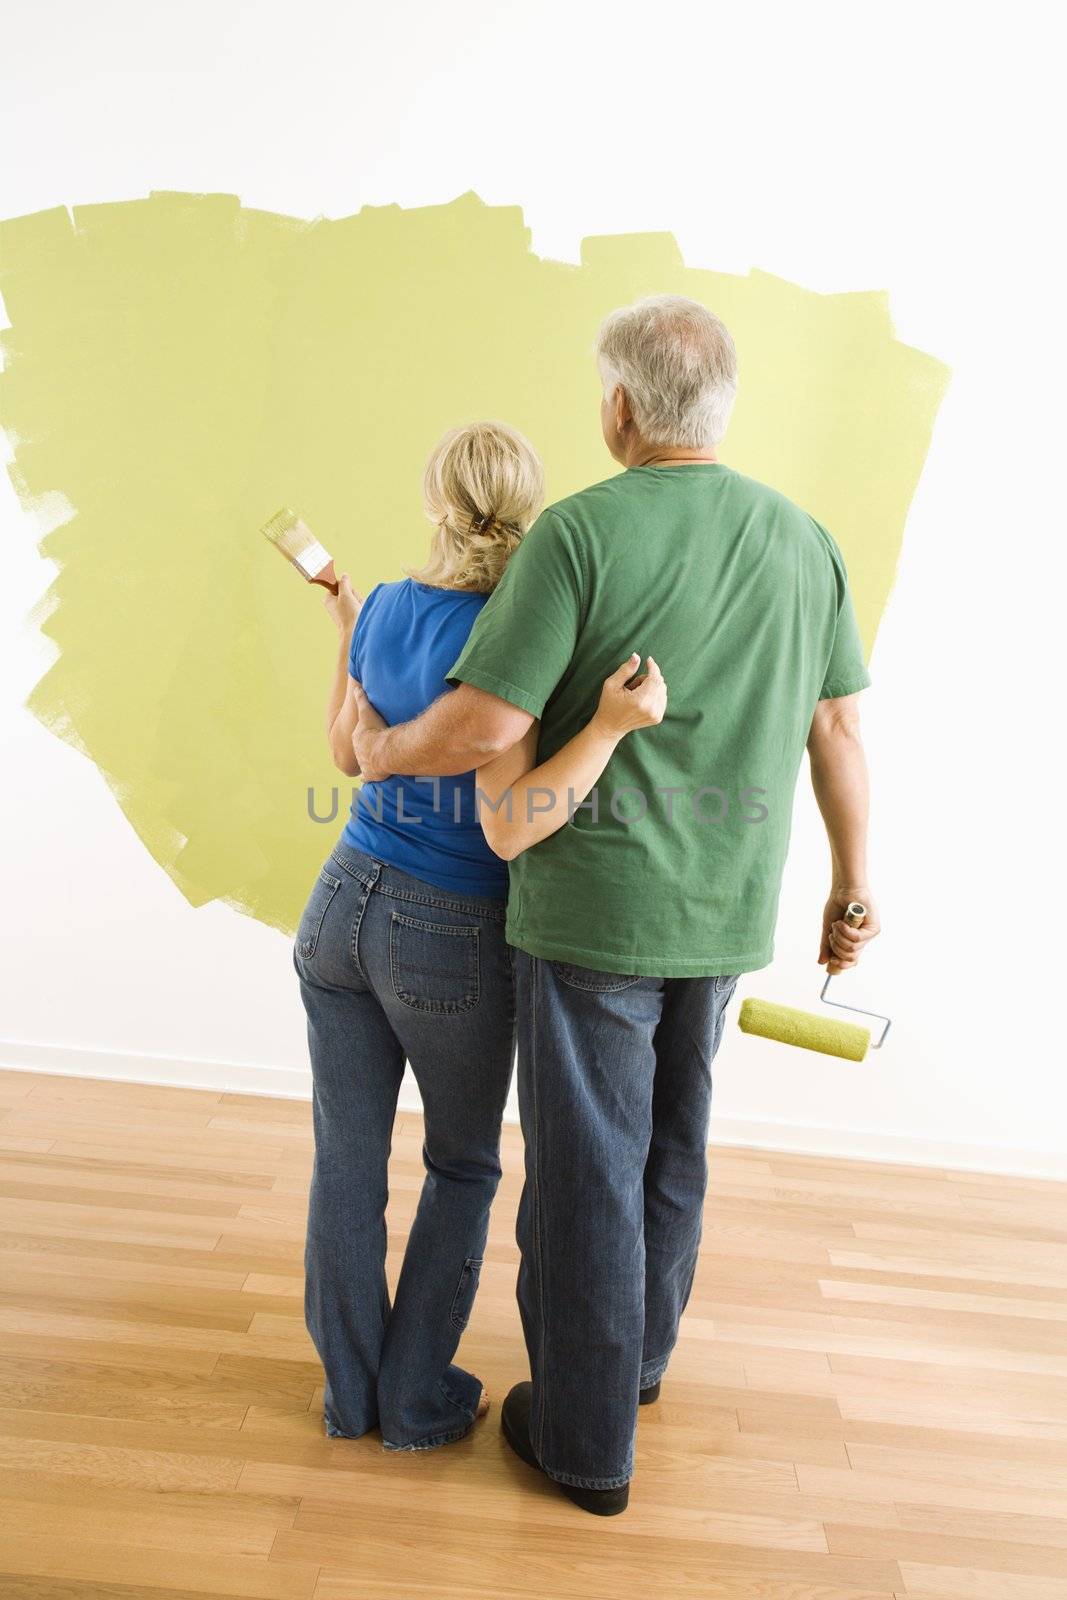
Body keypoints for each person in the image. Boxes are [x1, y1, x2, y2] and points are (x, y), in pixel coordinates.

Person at [352, 295, 881, 1513]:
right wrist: (853, 886)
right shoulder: (804, 540)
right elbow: (838, 725)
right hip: (726, 905)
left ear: (622, 408)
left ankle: (584, 1441)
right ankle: (632, 1360)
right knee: (671, 1149)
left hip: (592, 912)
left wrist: (378, 754)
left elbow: (487, 723)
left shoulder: (579, 535)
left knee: (587, 1169)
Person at [295, 419, 665, 1454]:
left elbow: (346, 750)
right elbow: (519, 817)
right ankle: (414, 1402)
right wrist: (606, 728)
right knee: (460, 1164)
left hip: (339, 902)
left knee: (346, 1160)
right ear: (531, 509)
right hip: (447, 928)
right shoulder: (524, 629)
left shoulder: (394, 608)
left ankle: (349, 1400)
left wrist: (349, 631)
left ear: (435, 501)